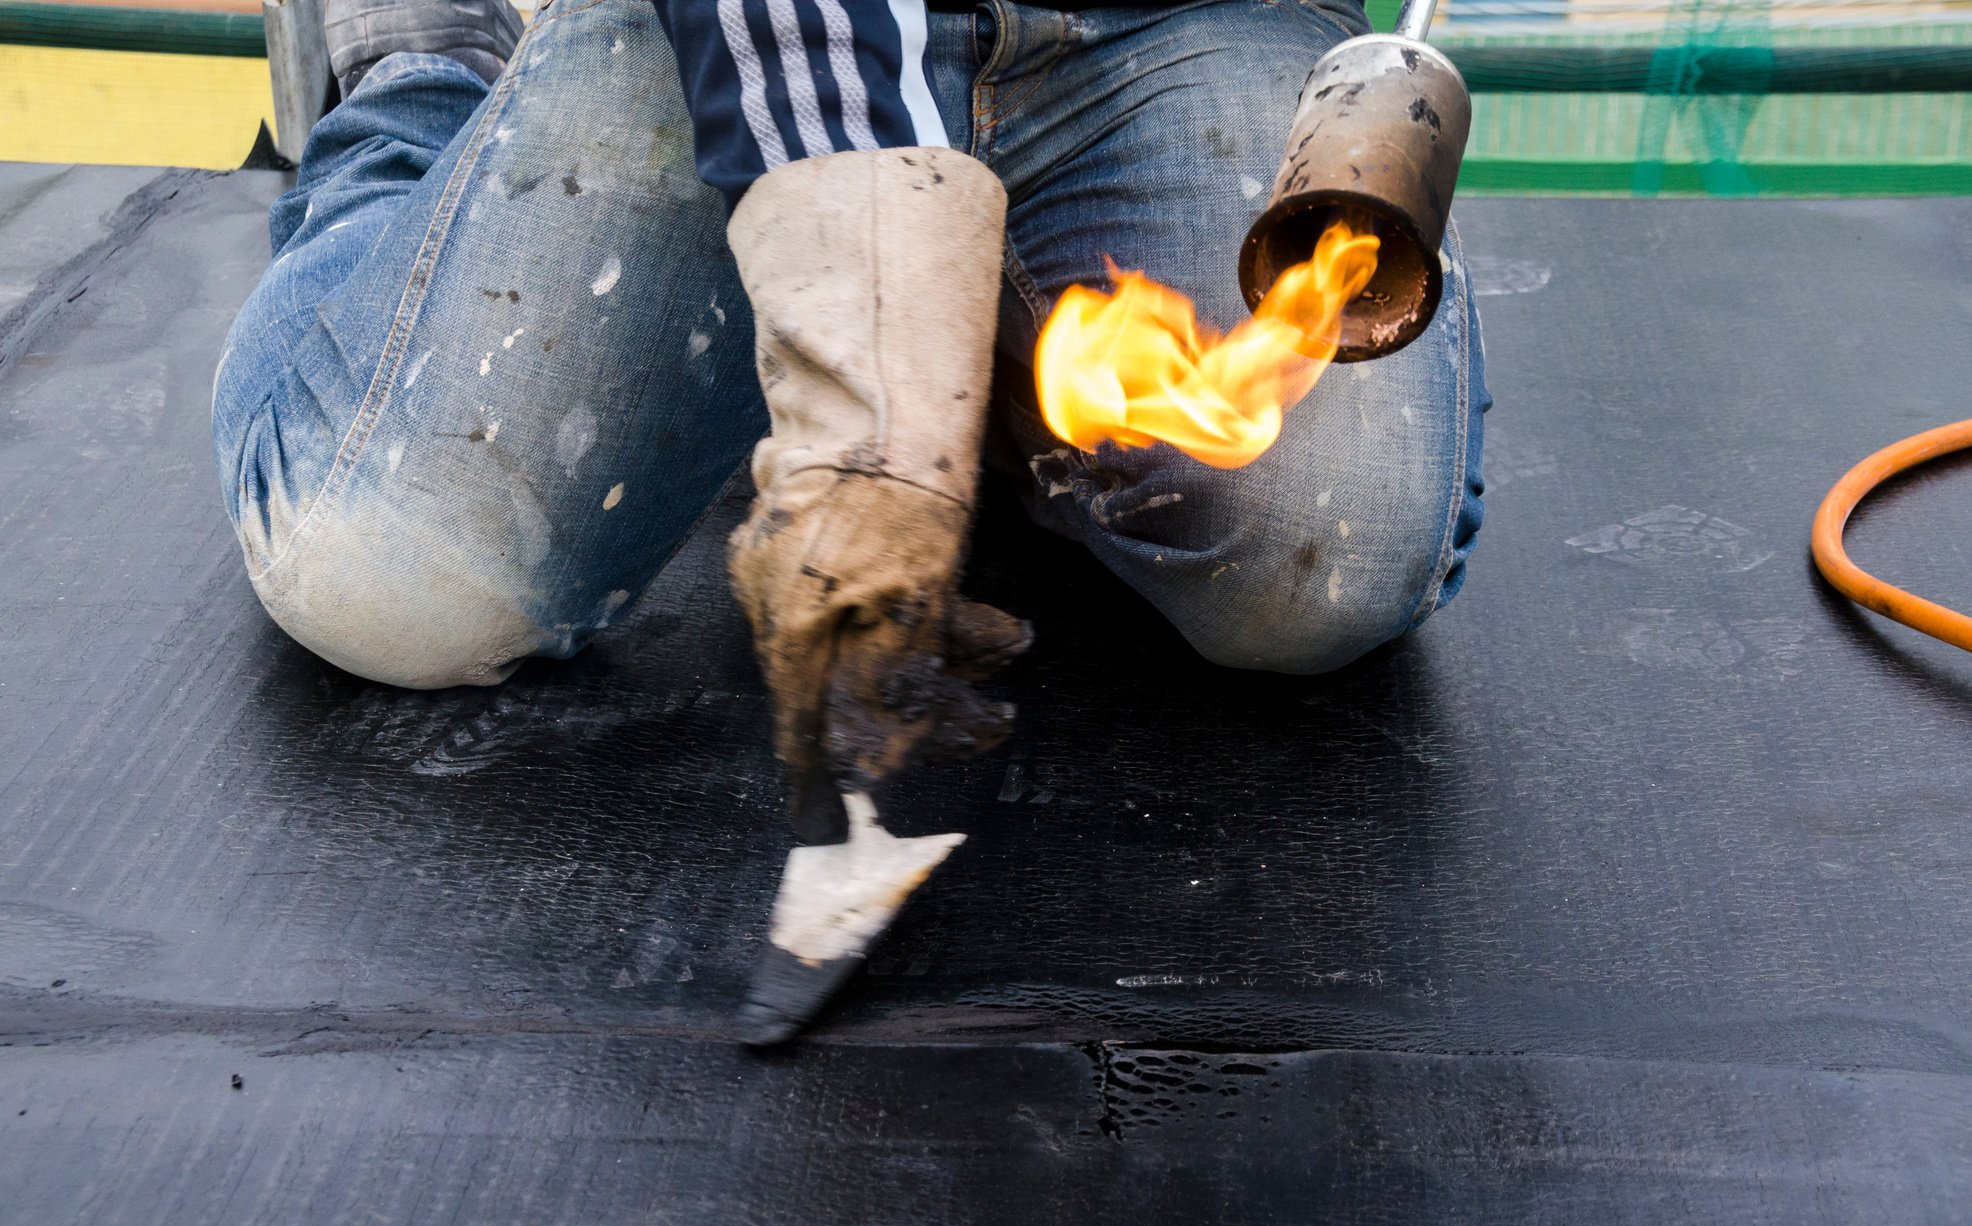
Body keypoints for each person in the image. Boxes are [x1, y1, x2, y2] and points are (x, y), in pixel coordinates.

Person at [212, 0, 1488, 839]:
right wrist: (871, 422)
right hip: (737, 31)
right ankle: (418, 90)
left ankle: (988, 350)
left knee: (1322, 573)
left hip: (1181, 19)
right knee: (395, 576)